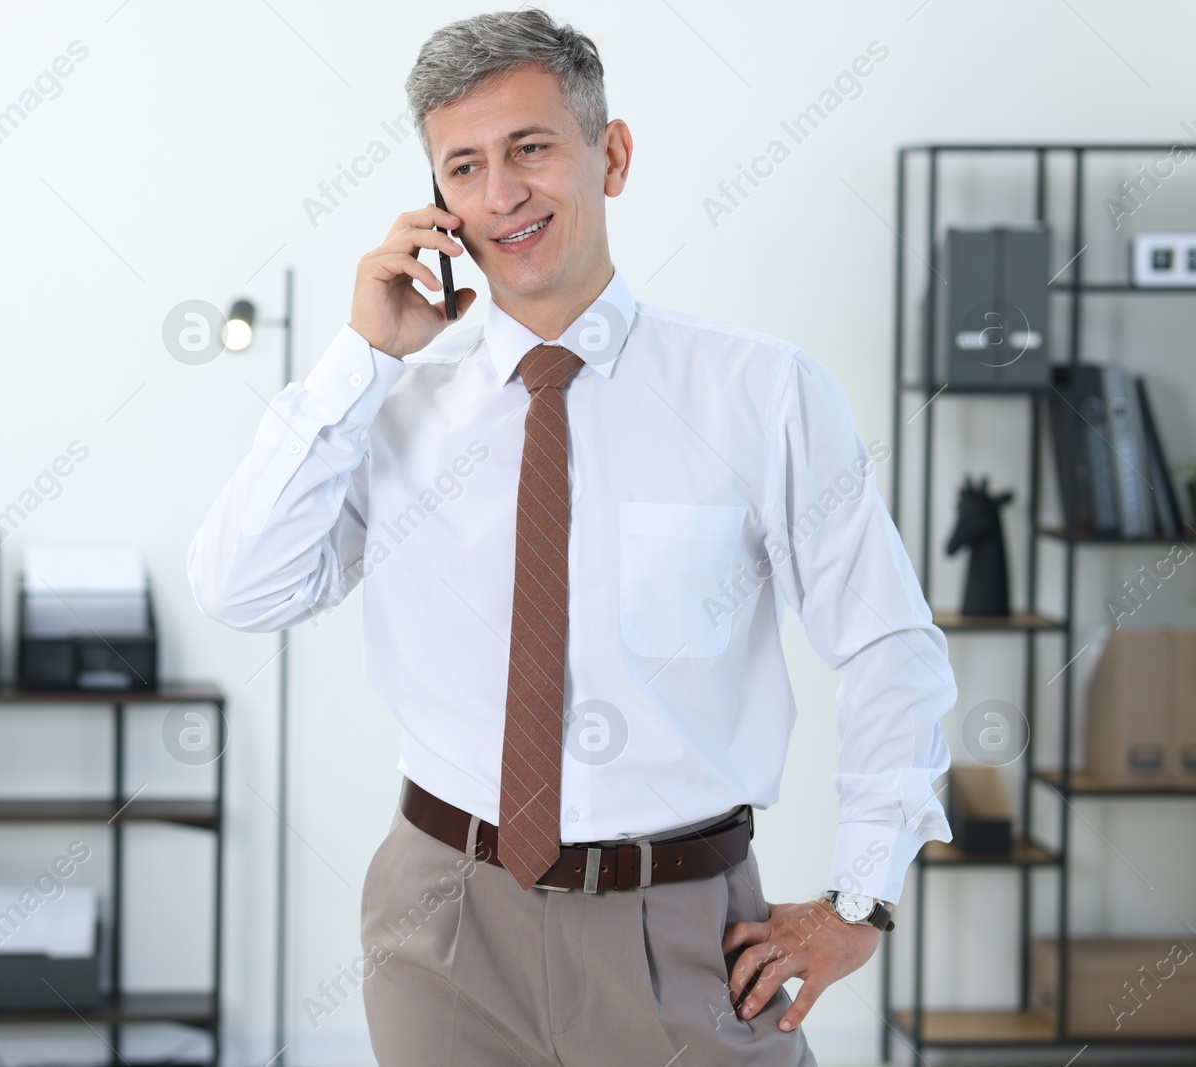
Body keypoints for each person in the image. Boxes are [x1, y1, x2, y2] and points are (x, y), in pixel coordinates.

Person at [187, 8, 955, 1065]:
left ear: (614, 154)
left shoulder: (758, 392)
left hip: (687, 931)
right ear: (438, 201)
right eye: (464, 166)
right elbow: (240, 586)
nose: (501, 194)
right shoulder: (392, 405)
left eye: (531, 148)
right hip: (443, 923)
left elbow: (886, 643)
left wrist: (858, 899)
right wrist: (360, 357)